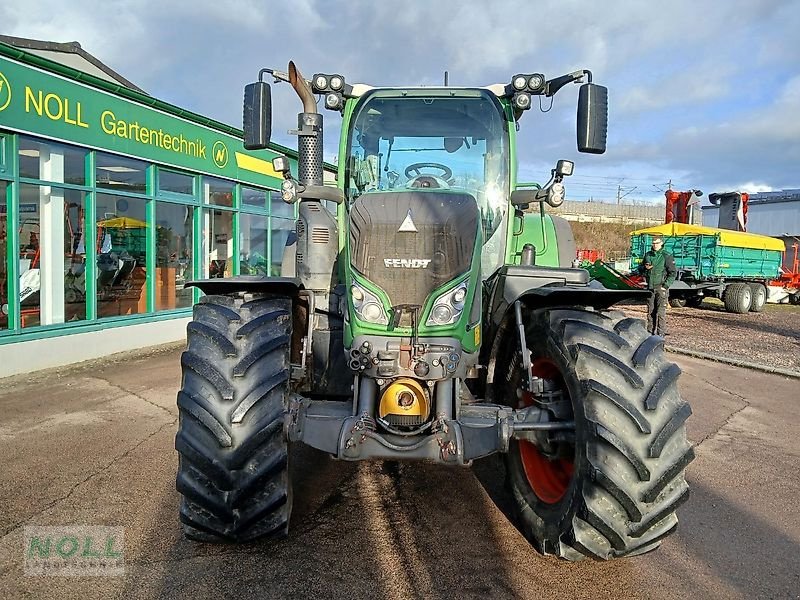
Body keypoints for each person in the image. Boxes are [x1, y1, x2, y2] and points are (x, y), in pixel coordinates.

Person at [638, 235, 676, 336]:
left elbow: (673, 273)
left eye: (657, 243)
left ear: (661, 243)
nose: (655, 245)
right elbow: (640, 268)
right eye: (653, 243)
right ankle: (649, 334)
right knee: (650, 313)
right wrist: (644, 268)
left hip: (661, 288)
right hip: (650, 287)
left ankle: (660, 335)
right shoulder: (648, 255)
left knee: (660, 313)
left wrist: (665, 286)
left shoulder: (666, 256)